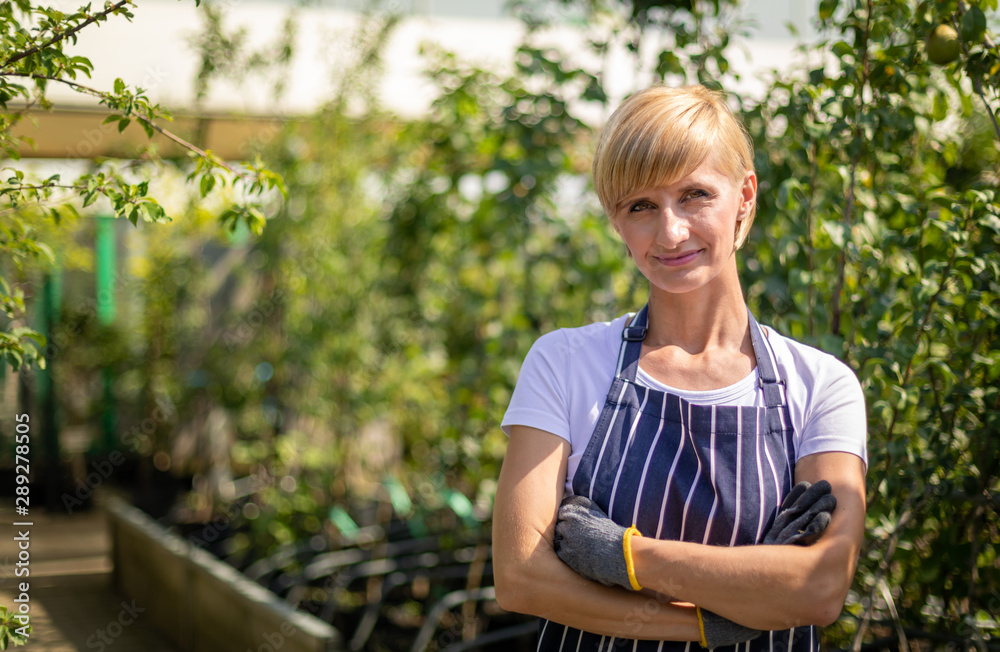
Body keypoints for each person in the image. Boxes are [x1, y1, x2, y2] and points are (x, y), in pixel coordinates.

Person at [492, 84, 867, 652]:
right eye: (641, 206)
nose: (670, 232)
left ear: (744, 196)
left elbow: (818, 590)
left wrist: (621, 555)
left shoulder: (820, 386)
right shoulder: (564, 363)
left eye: (694, 195)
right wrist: (718, 619)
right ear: (616, 221)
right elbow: (520, 578)